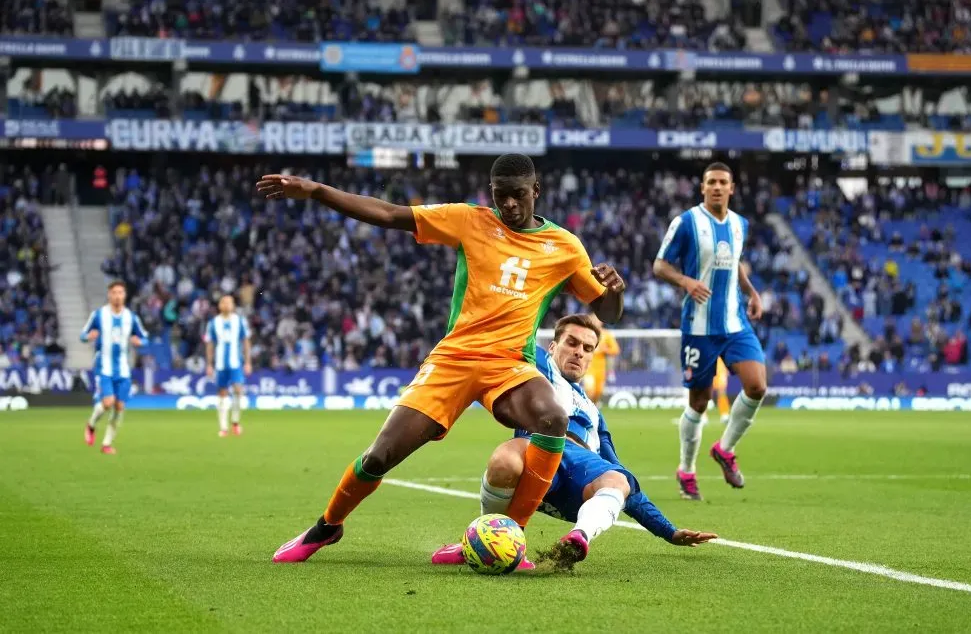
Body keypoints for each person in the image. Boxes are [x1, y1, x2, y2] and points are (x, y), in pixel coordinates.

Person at [258, 154, 626, 563]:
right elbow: (388, 213)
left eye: (518, 195)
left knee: (552, 416)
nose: (509, 205)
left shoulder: (564, 247)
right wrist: (315, 190)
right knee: (380, 456)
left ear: (536, 191)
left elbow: (605, 312)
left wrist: (614, 293)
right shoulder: (469, 219)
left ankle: (511, 538)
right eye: (500, 196)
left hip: (509, 364)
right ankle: (327, 527)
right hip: (454, 359)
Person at [430, 314, 717, 570]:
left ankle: (578, 538)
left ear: (592, 357)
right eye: (571, 343)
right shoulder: (536, 367)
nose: (579, 352)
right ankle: (483, 539)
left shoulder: (594, 413)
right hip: (537, 457)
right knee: (505, 457)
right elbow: (516, 326)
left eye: (587, 348)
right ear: (553, 347)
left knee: (618, 479)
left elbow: (619, 476)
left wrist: (668, 531)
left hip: (578, 479)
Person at [653, 162, 768, 502]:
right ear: (702, 187)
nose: (717, 187)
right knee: (699, 403)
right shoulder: (686, 222)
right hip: (699, 327)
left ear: (732, 188)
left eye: (723, 182)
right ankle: (686, 470)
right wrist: (685, 280)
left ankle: (725, 448)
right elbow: (659, 265)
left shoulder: (739, 224)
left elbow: (734, 265)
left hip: (734, 323)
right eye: (711, 182)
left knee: (757, 385)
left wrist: (752, 292)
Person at [80, 281, 148, 455]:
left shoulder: (131, 317)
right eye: (114, 292)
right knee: (108, 402)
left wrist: (140, 341)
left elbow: (145, 337)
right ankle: (91, 424)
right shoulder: (99, 315)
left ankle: (107, 444)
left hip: (124, 370)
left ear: (124, 295)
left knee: (119, 407)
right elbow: (82, 334)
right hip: (104, 368)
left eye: (120, 292)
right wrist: (89, 336)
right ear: (109, 295)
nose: (117, 296)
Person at [204, 294, 251, 437]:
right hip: (220, 364)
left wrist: (248, 362)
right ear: (219, 306)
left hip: (236, 362)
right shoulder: (213, 323)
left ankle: (235, 422)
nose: (226, 305)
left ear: (233, 305)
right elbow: (210, 344)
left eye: (229, 302)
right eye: (223, 302)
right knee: (222, 393)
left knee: (238, 389)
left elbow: (246, 341)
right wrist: (209, 364)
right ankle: (223, 427)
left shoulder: (240, 321)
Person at [582, 316, 619, 405]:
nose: (596, 322)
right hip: (588, 368)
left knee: (598, 392)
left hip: (601, 369)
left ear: (601, 322)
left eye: (597, 320)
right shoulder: (584, 334)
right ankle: (587, 408)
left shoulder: (606, 335)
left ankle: (593, 408)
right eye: (593, 320)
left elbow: (616, 350)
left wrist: (604, 349)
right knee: (590, 389)